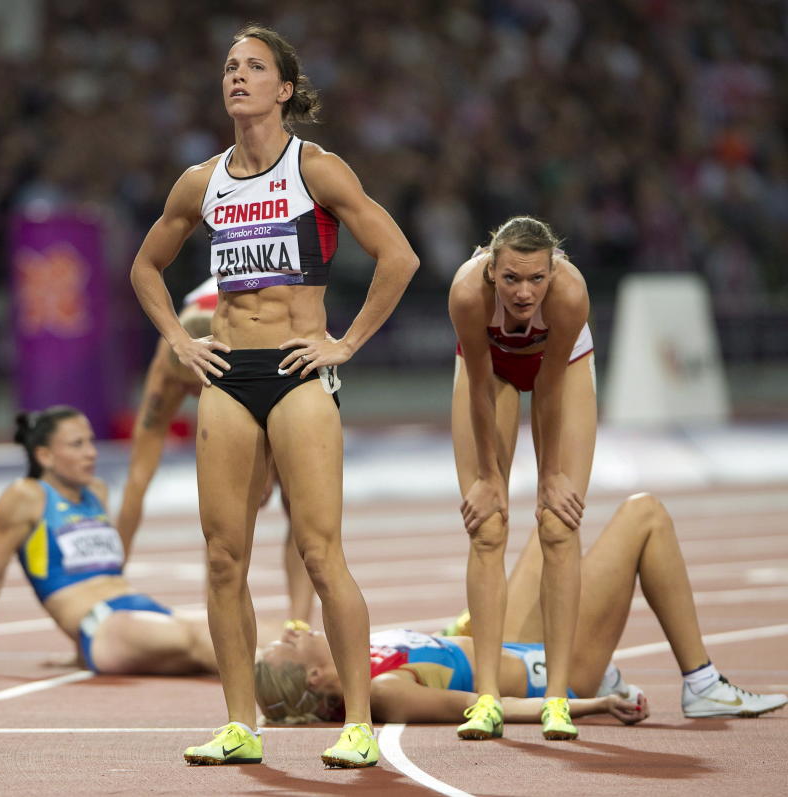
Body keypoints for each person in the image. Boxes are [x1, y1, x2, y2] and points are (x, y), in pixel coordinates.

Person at [129, 24, 419, 768]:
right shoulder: (202, 180)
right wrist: (180, 339)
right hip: (227, 377)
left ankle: (357, 723)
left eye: (254, 67)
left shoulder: (314, 169)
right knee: (224, 558)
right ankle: (238, 723)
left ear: (284, 89)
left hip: (297, 374)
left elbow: (399, 255)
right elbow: (145, 267)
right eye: (229, 66)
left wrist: (345, 341)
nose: (237, 76)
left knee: (321, 554)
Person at [255, 493, 787, 729]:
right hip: (561, 671)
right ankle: (702, 683)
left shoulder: (358, 656)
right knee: (644, 513)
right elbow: (488, 709)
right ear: (319, 676)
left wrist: (461, 626)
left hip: (512, 642)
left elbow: (440, 649)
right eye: (291, 642)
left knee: (554, 519)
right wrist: (594, 703)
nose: (296, 629)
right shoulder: (383, 692)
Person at [0, 406, 217, 678]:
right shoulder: (25, 496)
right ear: (45, 455)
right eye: (77, 444)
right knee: (204, 638)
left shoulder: (96, 491)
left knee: (236, 629)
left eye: (90, 441)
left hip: (141, 608)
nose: (91, 452)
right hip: (104, 625)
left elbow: (105, 572)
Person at [448, 216, 594, 740]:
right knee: (486, 524)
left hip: (562, 369)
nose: (524, 292)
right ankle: (487, 698)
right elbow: (480, 386)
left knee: (558, 521)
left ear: (553, 271)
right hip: (493, 371)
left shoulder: (570, 295)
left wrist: (550, 473)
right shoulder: (467, 294)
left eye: (536, 279)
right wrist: (489, 476)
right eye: (511, 279)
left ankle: (557, 699)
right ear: (491, 269)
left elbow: (551, 386)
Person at [117, 275, 315, 628]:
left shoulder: (262, 343)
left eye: (204, 388)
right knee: (222, 509)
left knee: (297, 499)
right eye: (189, 389)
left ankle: (298, 623)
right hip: (217, 327)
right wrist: (112, 583)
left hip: (274, 347)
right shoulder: (168, 370)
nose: (195, 399)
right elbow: (137, 476)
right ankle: (223, 617)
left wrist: (268, 467)